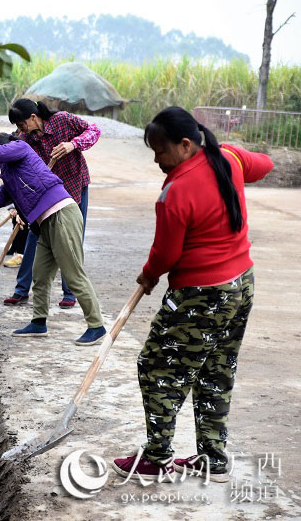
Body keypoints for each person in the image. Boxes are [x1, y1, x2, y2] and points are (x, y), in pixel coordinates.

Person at [111, 106, 273, 482]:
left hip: (201, 295)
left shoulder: (176, 190)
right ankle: (212, 459)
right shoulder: (227, 158)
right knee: (216, 370)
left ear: (184, 145)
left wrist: (149, 276)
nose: (157, 161)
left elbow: (166, 254)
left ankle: (156, 457)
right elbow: (263, 165)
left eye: (160, 151)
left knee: (156, 368)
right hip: (241, 284)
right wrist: (234, 155)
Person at [0, 133, 106, 345]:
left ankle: (97, 326)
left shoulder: (19, 147)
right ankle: (39, 323)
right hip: (45, 225)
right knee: (39, 275)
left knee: (73, 274)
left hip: (61, 215)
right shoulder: (9, 172)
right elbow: (0, 198)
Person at [0, 99, 100, 309]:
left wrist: (73, 144)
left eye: (21, 124)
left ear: (33, 117)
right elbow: (7, 150)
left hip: (74, 187)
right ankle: (21, 290)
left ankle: (70, 293)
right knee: (34, 236)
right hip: (47, 193)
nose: (20, 130)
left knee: (71, 238)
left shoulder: (62, 121)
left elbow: (94, 130)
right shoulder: (25, 137)